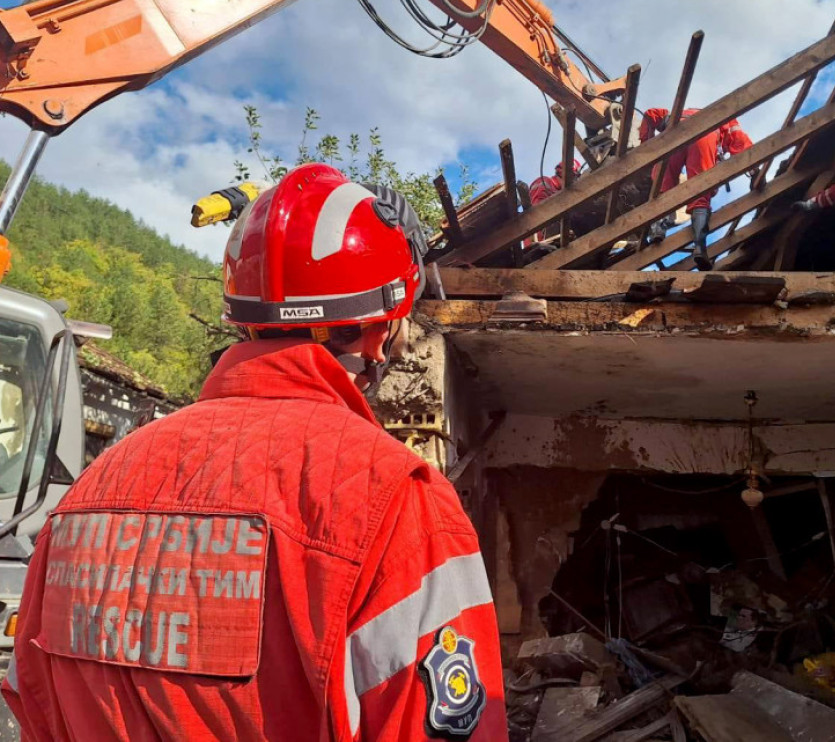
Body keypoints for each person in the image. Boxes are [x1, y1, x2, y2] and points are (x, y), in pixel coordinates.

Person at [2, 163, 509, 741]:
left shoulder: (89, 492)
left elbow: (28, 696)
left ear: (241, 317)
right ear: (382, 328)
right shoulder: (397, 500)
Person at [639, 108, 753, 270]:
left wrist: (646, 145)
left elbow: (650, 114)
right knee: (700, 194)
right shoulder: (725, 118)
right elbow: (739, 140)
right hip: (706, 135)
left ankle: (659, 229)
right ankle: (700, 248)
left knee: (663, 186)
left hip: (673, 134)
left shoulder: (677, 112)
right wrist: (754, 171)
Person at [526, 159, 581, 247]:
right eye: (574, 178)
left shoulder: (560, 192)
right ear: (562, 173)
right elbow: (539, 211)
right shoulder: (544, 181)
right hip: (541, 240)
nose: (574, 182)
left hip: (556, 239)